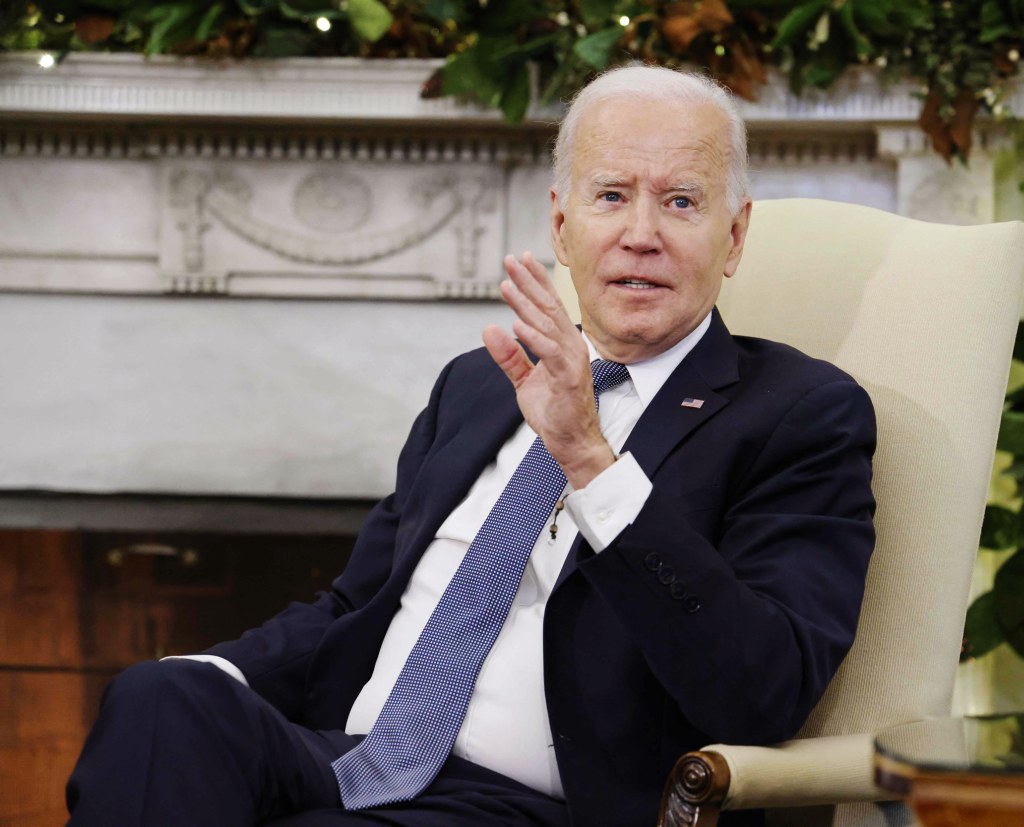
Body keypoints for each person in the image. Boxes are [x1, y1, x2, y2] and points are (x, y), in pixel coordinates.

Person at [66, 64, 877, 827]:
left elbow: (761, 687)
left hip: (526, 801)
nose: (640, 233)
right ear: (564, 225)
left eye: (681, 202)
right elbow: (359, 604)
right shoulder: (481, 384)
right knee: (159, 697)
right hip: (348, 758)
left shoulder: (800, 415)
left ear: (733, 238)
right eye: (611, 196)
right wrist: (223, 673)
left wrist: (590, 460)